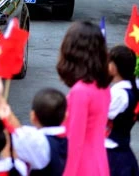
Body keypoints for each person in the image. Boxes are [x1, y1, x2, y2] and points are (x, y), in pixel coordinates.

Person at [0, 71, 68, 175]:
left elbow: (1, 129)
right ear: (65, 116)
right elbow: (19, 130)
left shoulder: (39, 143)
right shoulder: (68, 138)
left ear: (33, 117)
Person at [56, 20, 111, 176]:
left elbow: (75, 142)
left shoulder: (80, 91)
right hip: (99, 163)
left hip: (81, 168)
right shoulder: (103, 86)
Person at [105, 45, 139, 176]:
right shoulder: (128, 88)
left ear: (114, 68)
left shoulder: (119, 94)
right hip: (118, 150)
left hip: (113, 153)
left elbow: (100, 116)